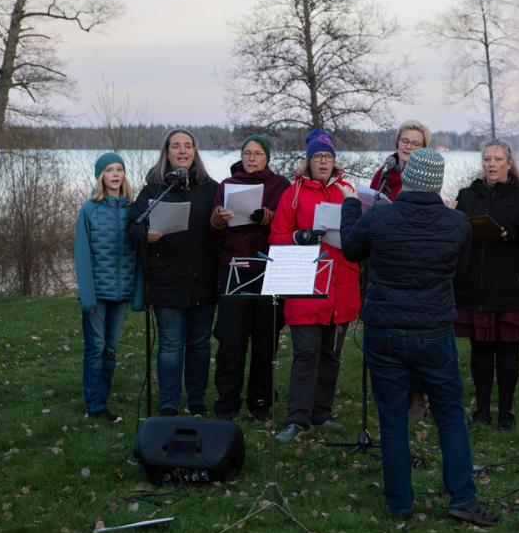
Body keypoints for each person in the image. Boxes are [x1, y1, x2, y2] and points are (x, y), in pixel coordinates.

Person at [341, 148, 498, 526]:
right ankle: (462, 496)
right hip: (433, 331)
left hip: (385, 330)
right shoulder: (457, 223)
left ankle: (400, 503)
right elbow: (458, 271)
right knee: (449, 415)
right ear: (437, 182)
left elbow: (351, 248)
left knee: (392, 418)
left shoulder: (379, 215)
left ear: (408, 178)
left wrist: (349, 207)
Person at [454, 138, 519, 431]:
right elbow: (456, 231)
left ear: (509, 164)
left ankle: (505, 412)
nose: (492, 165)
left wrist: (515, 233)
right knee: (480, 351)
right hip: (475, 284)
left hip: (511, 286)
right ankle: (482, 410)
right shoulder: (467, 195)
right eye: (487, 159)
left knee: (507, 351)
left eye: (497, 160)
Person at [269, 129, 361, 442]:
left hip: (342, 286)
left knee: (331, 355)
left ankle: (322, 412)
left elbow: (362, 234)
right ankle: (297, 418)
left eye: (328, 157)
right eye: (318, 157)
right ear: (309, 161)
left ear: (335, 161)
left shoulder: (348, 192)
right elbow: (276, 237)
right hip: (307, 283)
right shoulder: (292, 193)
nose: (323, 162)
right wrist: (300, 237)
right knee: (306, 353)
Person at [129, 129, 221, 416]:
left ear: (195, 151)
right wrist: (146, 234)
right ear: (166, 153)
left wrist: (220, 223)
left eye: (187, 146)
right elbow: (133, 227)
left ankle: (196, 402)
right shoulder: (154, 189)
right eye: (176, 147)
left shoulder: (211, 188)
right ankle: (168, 404)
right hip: (167, 280)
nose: (182, 151)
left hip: (203, 280)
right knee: (170, 345)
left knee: (199, 345)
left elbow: (221, 235)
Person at [209, 135, 290, 422]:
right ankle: (227, 401)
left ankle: (261, 400)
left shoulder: (280, 185)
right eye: (247, 153)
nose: (251, 158)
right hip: (234, 266)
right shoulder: (227, 185)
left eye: (257, 153)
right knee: (231, 340)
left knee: (265, 339)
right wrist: (218, 217)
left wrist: (269, 216)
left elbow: (288, 220)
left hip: (269, 268)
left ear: (267, 157)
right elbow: (214, 229)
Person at [369, 119, 432, 421]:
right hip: (386, 260)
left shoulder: (426, 174)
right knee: (390, 330)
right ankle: (395, 392)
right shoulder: (384, 173)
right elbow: (370, 203)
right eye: (404, 141)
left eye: (415, 143)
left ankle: (418, 395)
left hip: (417, 258)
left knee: (416, 332)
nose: (408, 146)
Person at [74, 152, 143, 423]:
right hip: (97, 294)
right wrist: (87, 296)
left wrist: (138, 293)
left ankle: (102, 395)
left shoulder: (133, 210)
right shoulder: (89, 210)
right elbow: (82, 256)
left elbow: (138, 256)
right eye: (109, 170)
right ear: (100, 176)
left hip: (122, 292)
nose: (115, 174)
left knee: (111, 348)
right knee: (96, 347)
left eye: (119, 169)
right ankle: (95, 405)